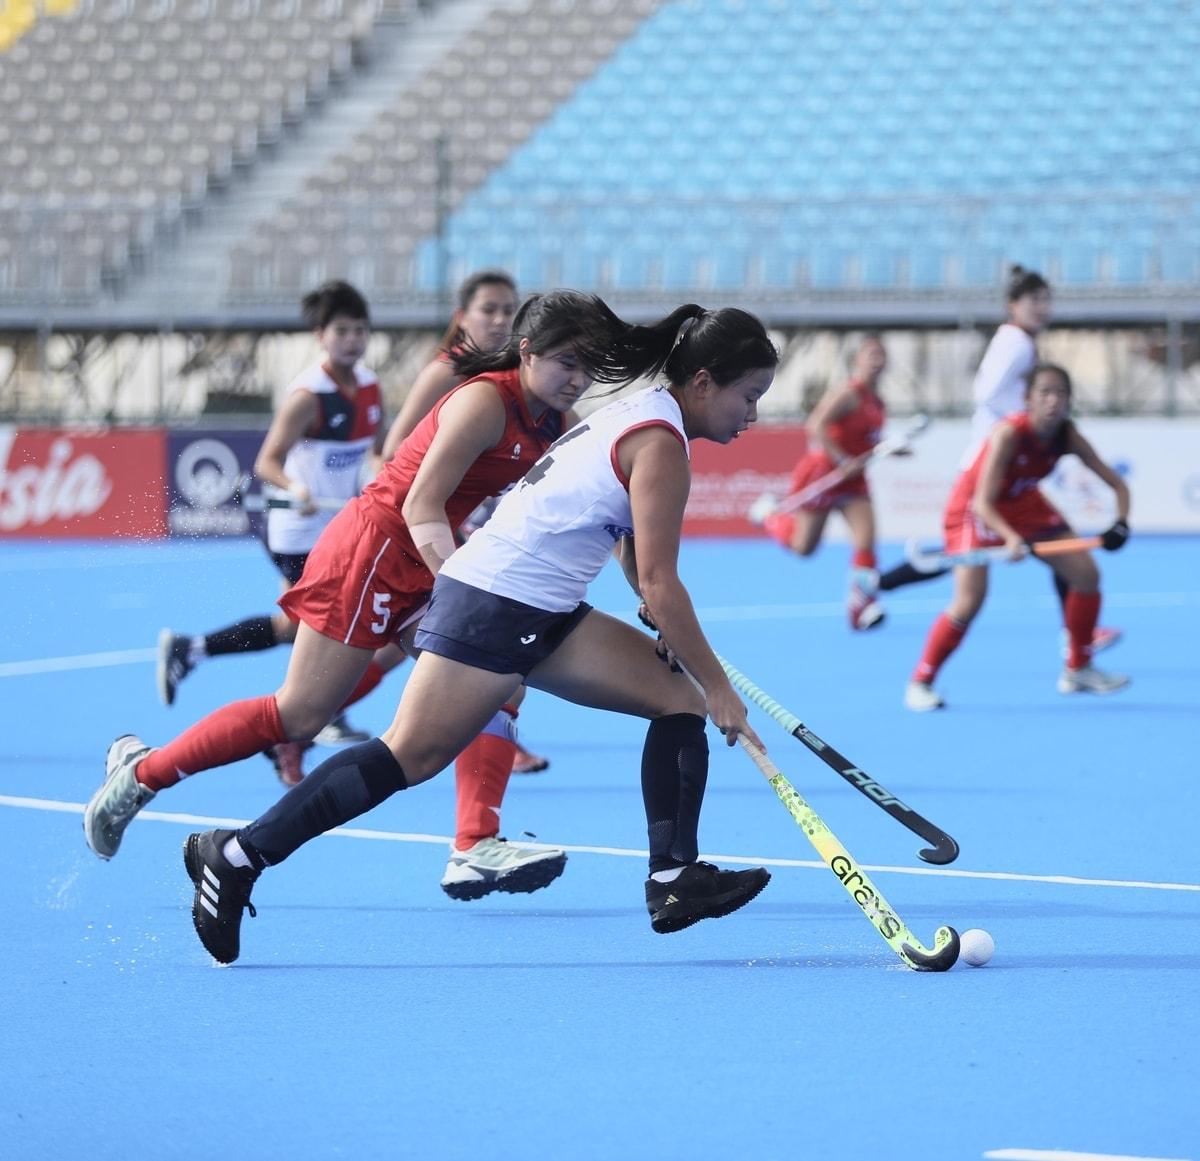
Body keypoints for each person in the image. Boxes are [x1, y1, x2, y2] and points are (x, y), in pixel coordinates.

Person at [178, 295, 780, 965]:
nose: (752, 415)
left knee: (676, 699)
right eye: (748, 396)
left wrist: (668, 628)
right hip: (496, 600)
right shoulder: (661, 443)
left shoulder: (645, 418)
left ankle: (673, 879)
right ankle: (235, 854)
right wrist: (719, 682)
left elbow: (643, 567)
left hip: (542, 603)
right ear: (703, 383)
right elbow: (664, 584)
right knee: (408, 756)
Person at [84, 290, 610, 902]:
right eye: (568, 363)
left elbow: (600, 487)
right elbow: (420, 504)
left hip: (421, 557)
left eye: (589, 366)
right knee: (300, 713)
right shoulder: (486, 402)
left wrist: (646, 576)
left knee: (498, 679)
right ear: (527, 353)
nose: (580, 378)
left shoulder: (556, 418)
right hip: (376, 553)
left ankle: (474, 845)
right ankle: (141, 774)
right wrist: (467, 585)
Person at [156, 281, 386, 756]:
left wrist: (379, 474)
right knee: (333, 622)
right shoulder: (308, 395)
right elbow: (267, 463)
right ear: (321, 335)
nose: (353, 339)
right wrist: (296, 488)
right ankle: (325, 715)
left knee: (293, 627)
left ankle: (191, 649)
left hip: (341, 525)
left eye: (360, 330)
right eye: (342, 330)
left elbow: (374, 452)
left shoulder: (370, 387)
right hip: (300, 531)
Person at [878, 265, 1121, 656]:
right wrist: (1026, 422)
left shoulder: (1016, 339)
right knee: (967, 577)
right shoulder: (1018, 344)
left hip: (998, 461)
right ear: (1012, 305)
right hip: (990, 463)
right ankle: (878, 585)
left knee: (1057, 540)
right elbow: (986, 393)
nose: (1042, 308)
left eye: (1046, 300)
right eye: (1033, 300)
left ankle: (1076, 635)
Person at [380, 269, 549, 776]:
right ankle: (302, 728)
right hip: (422, 531)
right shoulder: (447, 373)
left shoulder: (524, 385)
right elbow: (395, 453)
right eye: (488, 310)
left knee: (481, 663)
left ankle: (487, 766)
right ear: (461, 318)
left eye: (507, 310)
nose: (499, 320)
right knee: (477, 659)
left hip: (463, 532)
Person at [904, 363, 1131, 712]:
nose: (1053, 401)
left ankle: (1078, 669)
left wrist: (1121, 523)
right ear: (1028, 399)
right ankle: (921, 682)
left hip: (1023, 503)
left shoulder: (1067, 435)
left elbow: (1116, 484)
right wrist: (1011, 539)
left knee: (1087, 575)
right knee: (970, 599)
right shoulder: (1008, 434)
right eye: (1045, 393)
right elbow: (982, 502)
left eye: (1061, 393)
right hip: (974, 506)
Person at [760, 333, 897, 629]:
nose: (877, 360)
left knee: (866, 540)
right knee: (804, 548)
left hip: (854, 480)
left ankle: (862, 607)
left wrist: (891, 450)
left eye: (881, 354)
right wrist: (842, 460)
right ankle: (771, 516)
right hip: (827, 473)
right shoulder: (848, 393)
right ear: (856, 360)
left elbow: (865, 440)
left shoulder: (878, 401)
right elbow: (816, 426)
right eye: (870, 354)